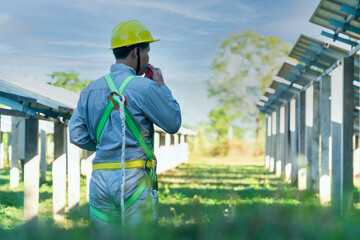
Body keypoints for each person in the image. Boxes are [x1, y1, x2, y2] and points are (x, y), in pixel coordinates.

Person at [69, 20, 181, 227]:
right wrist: (161, 86)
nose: (148, 58)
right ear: (136, 52)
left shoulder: (89, 90)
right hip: (133, 178)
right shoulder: (145, 87)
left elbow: (76, 135)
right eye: (147, 51)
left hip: (100, 179)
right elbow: (173, 122)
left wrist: (107, 146)